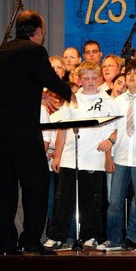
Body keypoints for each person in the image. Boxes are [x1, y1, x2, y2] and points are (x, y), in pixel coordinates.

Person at [0, 10, 73, 255]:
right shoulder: (34, 51)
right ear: (37, 32)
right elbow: (49, 78)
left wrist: (41, 94)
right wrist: (69, 92)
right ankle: (31, 240)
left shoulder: (0, 52)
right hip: (20, 130)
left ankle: (7, 245)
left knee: (2, 188)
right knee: (36, 183)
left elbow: (13, 87)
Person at [45, 62, 113, 250]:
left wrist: (109, 155)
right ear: (79, 80)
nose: (90, 82)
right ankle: (57, 235)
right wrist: (57, 156)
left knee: (91, 200)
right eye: (86, 78)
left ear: (100, 79)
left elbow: (113, 129)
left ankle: (90, 236)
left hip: (94, 157)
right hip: (69, 156)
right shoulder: (72, 100)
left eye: (94, 78)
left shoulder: (108, 101)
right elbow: (63, 129)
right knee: (63, 198)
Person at [97, 61, 136, 252]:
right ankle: (114, 239)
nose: (131, 76)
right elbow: (109, 130)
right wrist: (108, 157)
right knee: (115, 202)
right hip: (120, 157)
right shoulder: (116, 102)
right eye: (129, 73)